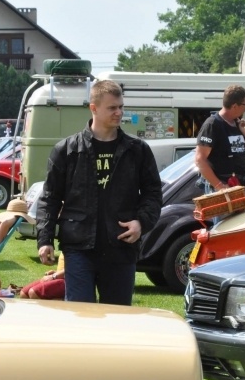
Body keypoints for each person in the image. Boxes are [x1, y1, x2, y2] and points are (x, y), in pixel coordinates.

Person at [36, 79, 162, 306]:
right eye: (112, 108)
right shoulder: (67, 150)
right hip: (78, 247)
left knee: (117, 318)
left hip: (121, 248)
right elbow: (50, 198)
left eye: (121, 107)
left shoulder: (137, 150)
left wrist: (141, 223)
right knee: (80, 315)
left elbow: (153, 193)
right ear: (93, 108)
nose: (119, 112)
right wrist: (44, 240)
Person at [195, 84, 245, 193]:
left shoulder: (238, 124)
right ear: (235, 106)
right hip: (221, 189)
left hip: (238, 186)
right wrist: (220, 186)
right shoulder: (212, 124)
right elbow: (200, 160)